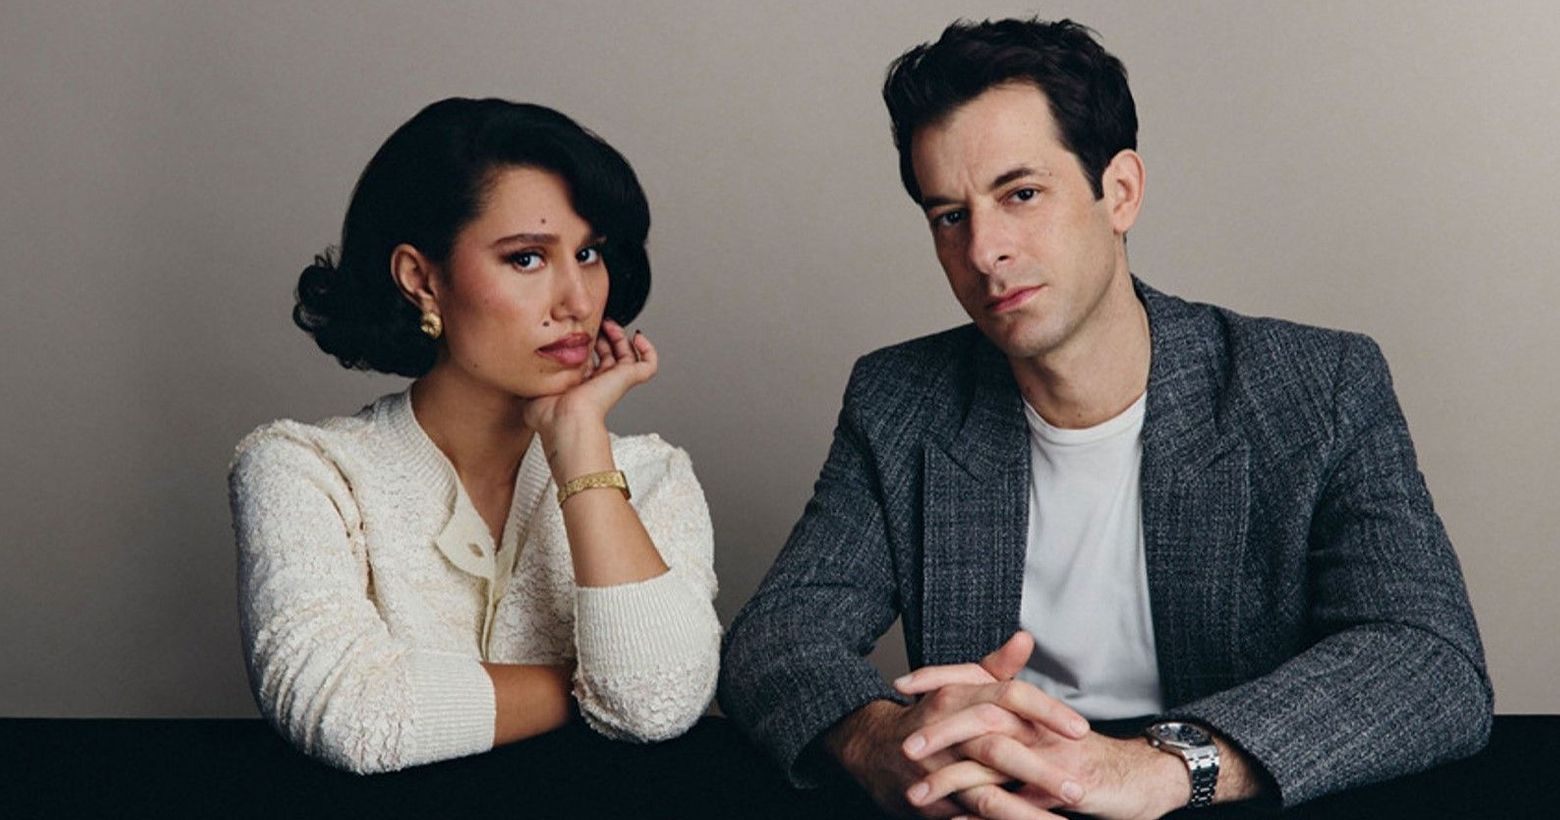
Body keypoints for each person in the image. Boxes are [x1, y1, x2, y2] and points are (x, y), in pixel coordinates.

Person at [719, 18, 1491, 819]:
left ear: (1119, 192)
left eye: (1021, 194)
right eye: (950, 216)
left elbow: (1431, 659)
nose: (984, 250)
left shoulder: (1313, 386)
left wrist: (1158, 767)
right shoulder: (900, 400)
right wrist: (885, 742)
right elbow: (775, 639)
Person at [229, 98, 721, 774]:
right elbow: (355, 715)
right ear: (421, 280)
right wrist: (591, 686)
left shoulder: (653, 476)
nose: (578, 301)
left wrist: (581, 444)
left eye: (588, 254)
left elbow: (657, 705)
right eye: (527, 259)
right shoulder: (305, 470)